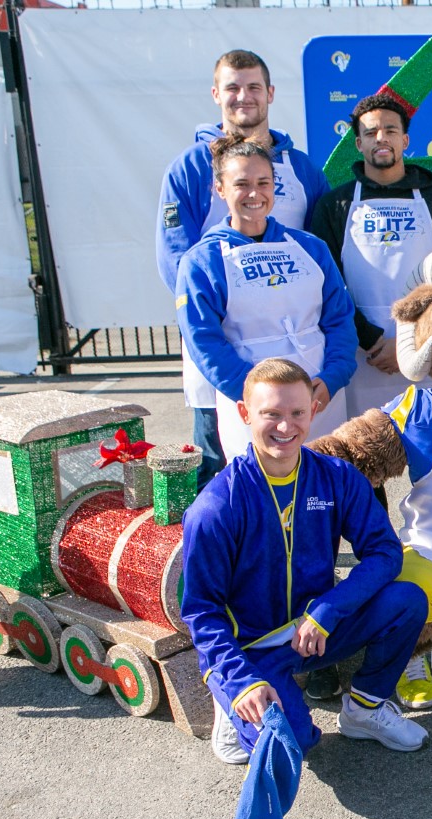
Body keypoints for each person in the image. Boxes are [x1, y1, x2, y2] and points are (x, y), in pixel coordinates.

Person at [181, 357, 429, 771]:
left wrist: (328, 611)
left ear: (313, 410)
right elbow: (201, 612)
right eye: (271, 414)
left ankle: (365, 709)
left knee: (406, 600)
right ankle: (233, 702)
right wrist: (241, 683)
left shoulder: (337, 476)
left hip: (315, 631)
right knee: (294, 742)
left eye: (297, 412)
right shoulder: (215, 506)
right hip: (253, 649)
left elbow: (385, 553)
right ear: (244, 414)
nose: (285, 426)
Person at [157, 49, 331, 492]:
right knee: (219, 458)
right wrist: (215, 325)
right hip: (226, 344)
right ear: (216, 94)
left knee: (306, 458)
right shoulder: (191, 167)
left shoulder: (302, 166)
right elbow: (177, 259)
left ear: (270, 93)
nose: (243, 97)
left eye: (253, 87)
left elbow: (321, 250)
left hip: (297, 346)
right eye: (232, 87)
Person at [176, 134, 356, 463]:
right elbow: (205, 343)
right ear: (220, 189)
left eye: (264, 182)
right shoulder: (201, 261)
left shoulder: (311, 248)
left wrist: (333, 377)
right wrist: (255, 395)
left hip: (321, 402)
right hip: (255, 410)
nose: (254, 194)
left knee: (326, 498)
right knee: (262, 503)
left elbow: (339, 319)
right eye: (241, 184)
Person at [310, 93, 432, 419]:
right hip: (360, 354)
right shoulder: (334, 206)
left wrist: (412, 344)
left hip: (428, 352)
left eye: (390, 131)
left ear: (405, 140)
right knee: (363, 457)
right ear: (358, 144)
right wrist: (372, 339)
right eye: (371, 132)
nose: (381, 138)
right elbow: (327, 284)